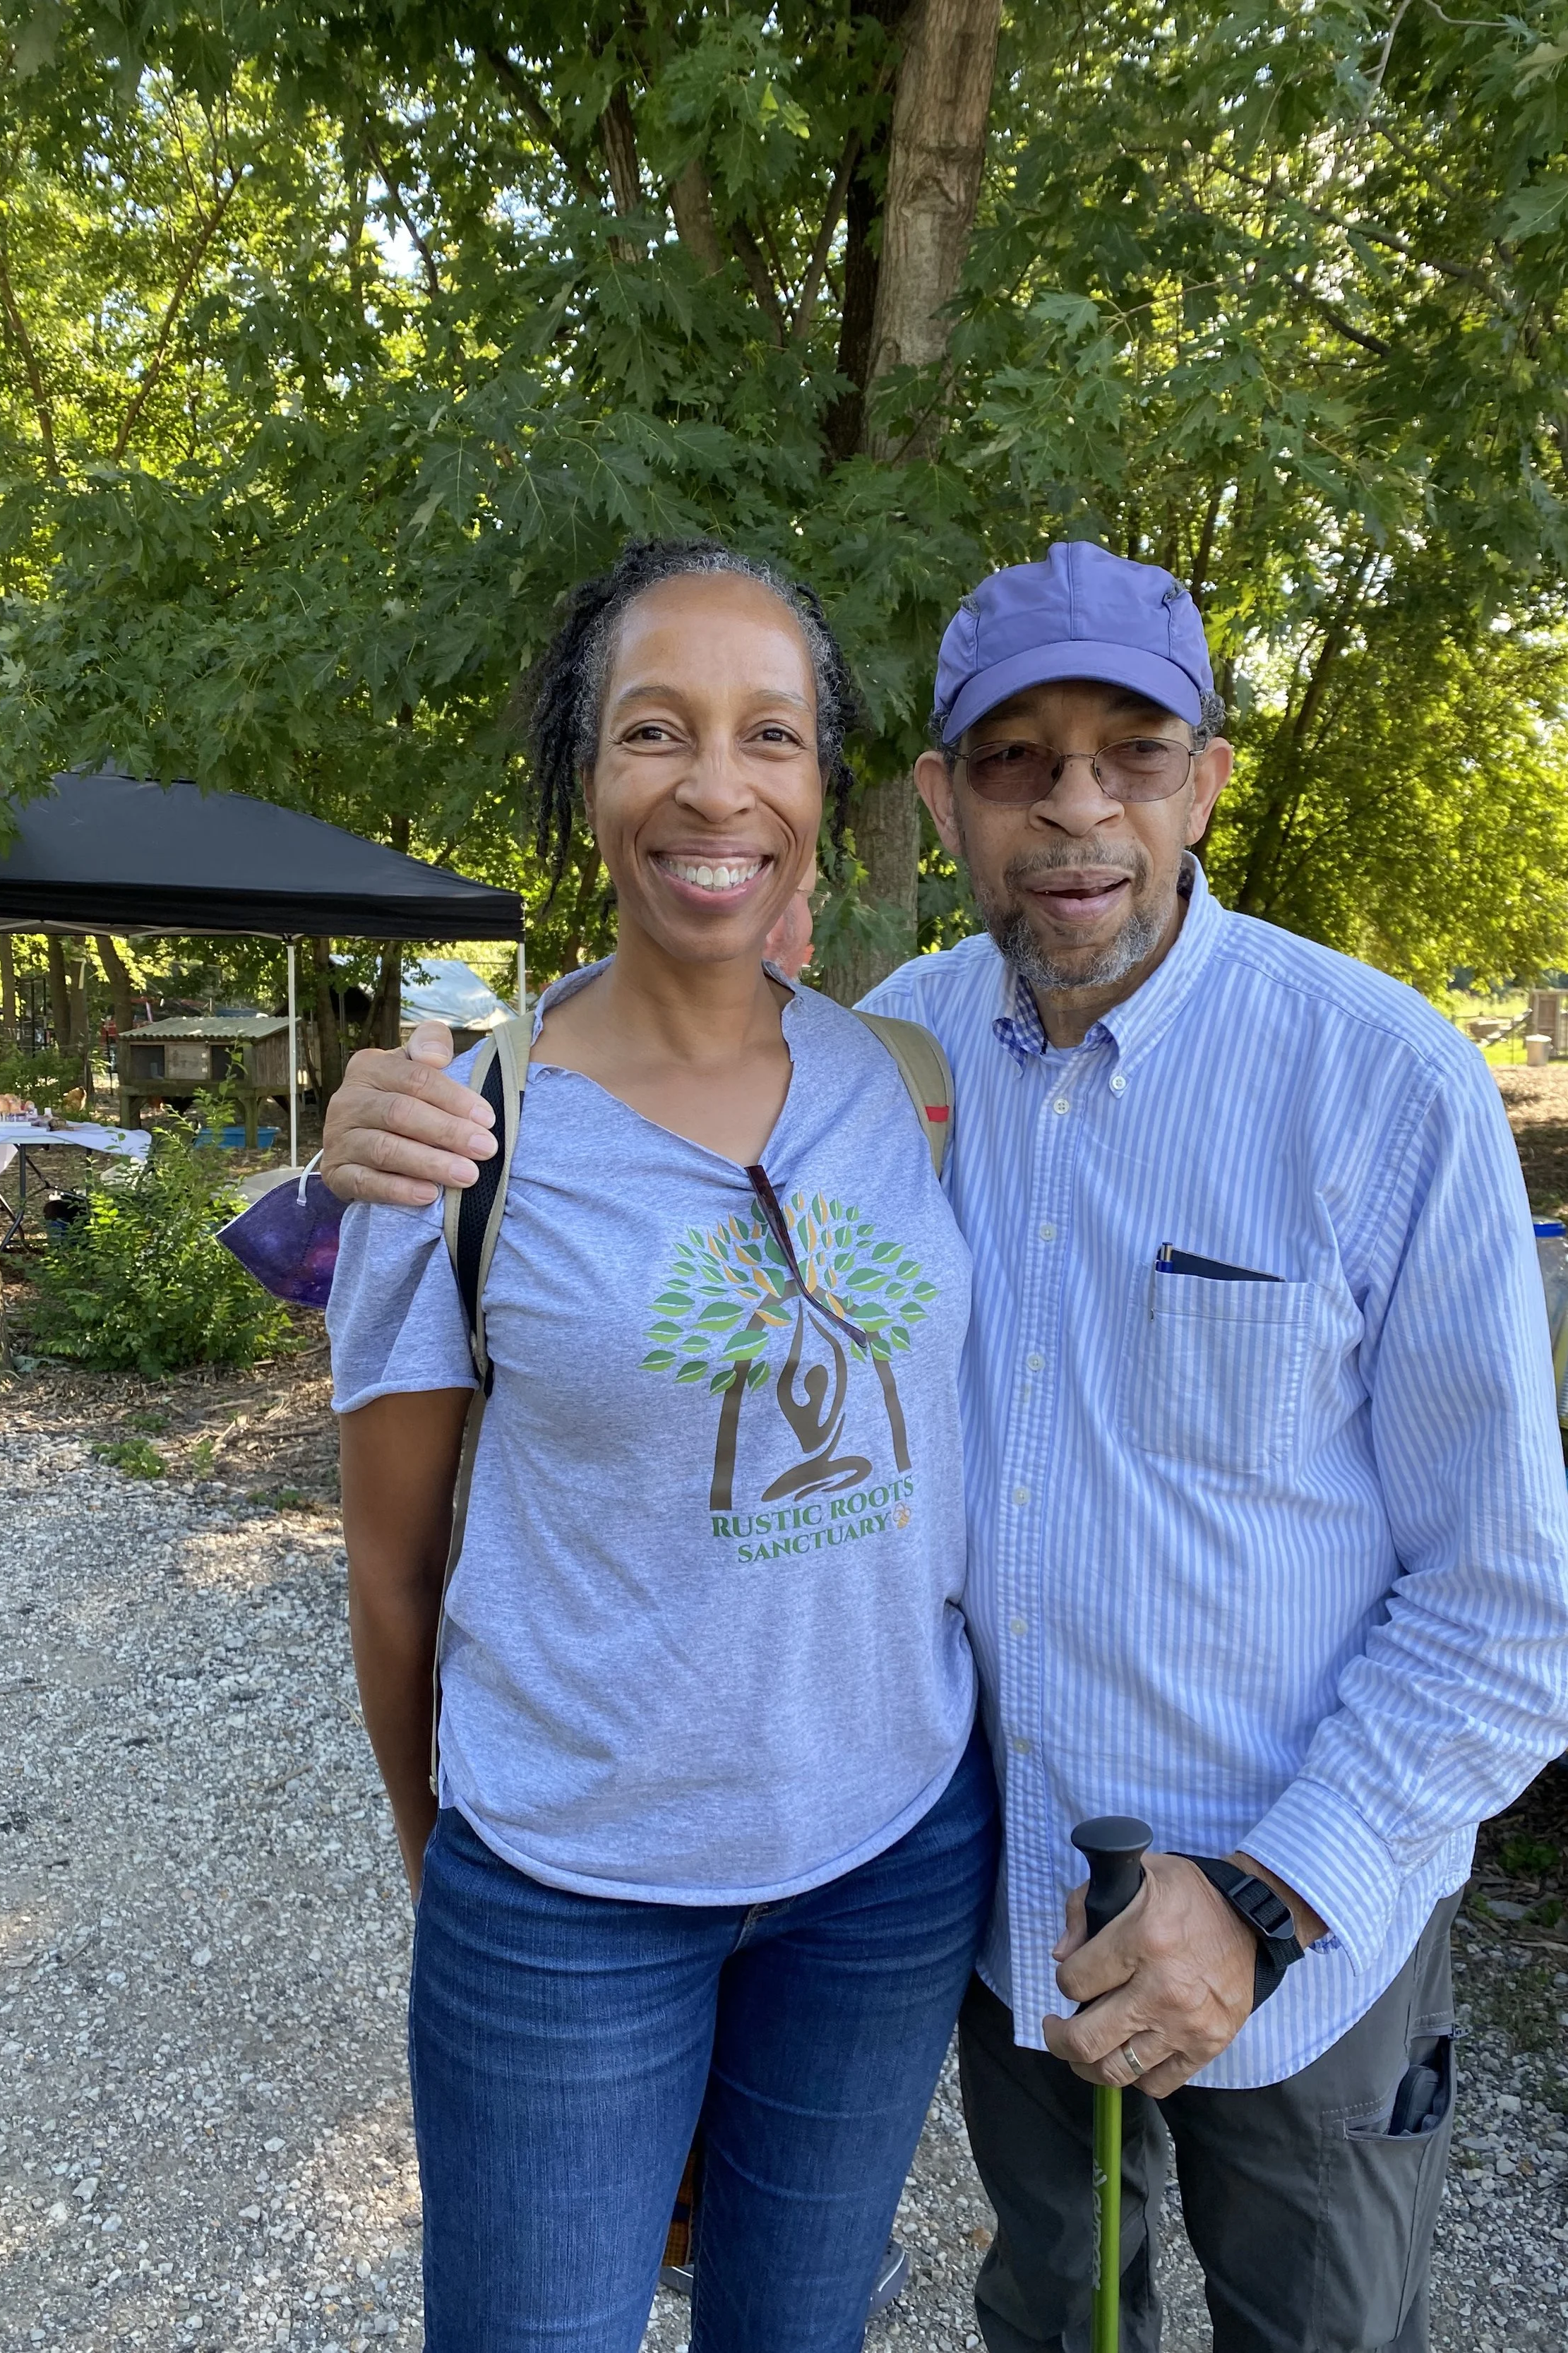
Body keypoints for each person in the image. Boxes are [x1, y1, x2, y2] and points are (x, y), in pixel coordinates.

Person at [318, 540, 1568, 2352]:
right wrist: (382, 1111)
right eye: (1014, 761)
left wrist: (1260, 1902)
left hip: (1297, 1928)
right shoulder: (907, 1052)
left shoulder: (1379, 1084)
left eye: (1131, 751)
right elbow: (424, 1515)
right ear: (937, 797)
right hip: (1003, 1923)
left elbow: (1506, 1614)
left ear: (1206, 774)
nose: (1075, 811)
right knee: (1047, 2323)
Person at [326, 535, 996, 2353]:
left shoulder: (907, 1074)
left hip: (887, 1865)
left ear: (821, 782)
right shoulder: (457, 1139)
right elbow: (391, 1571)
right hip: (566, 1898)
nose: (716, 783)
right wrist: (445, 1855)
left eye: (769, 734)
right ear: (582, 775)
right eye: (653, 729)